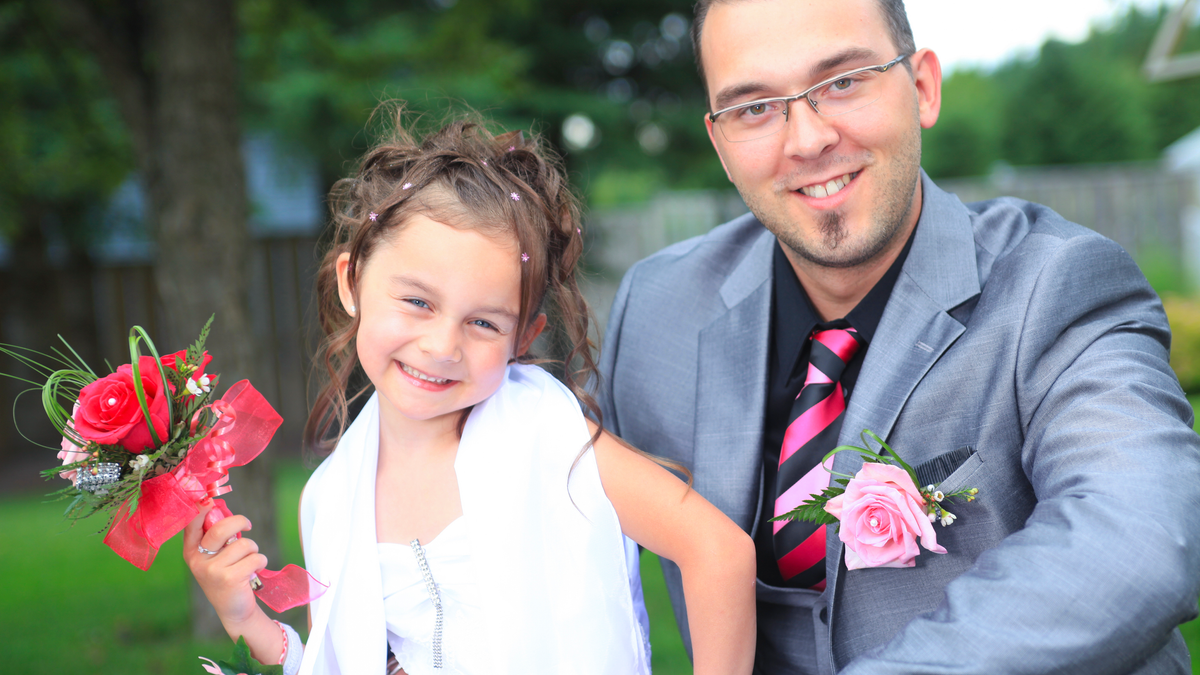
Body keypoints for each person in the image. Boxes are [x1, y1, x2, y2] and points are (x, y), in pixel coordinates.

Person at [595, 0, 1200, 673]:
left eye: (843, 81)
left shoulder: (1057, 285)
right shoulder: (656, 310)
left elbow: (1139, 538)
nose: (806, 138)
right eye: (755, 107)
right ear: (721, 145)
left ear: (922, 89)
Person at [184, 109, 756, 675]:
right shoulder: (331, 497)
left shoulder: (549, 440)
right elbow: (345, 661)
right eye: (417, 301)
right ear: (351, 282)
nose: (441, 346)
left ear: (523, 336)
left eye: (484, 322)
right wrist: (242, 616)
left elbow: (719, 554)